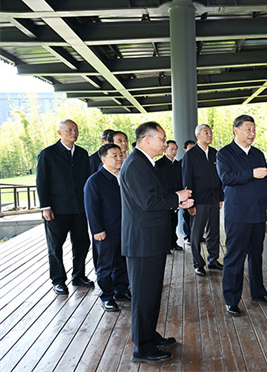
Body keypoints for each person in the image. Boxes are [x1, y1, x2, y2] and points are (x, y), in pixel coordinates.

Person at [119, 121, 193, 363]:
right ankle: (142, 348)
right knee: (144, 297)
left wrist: (177, 202)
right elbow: (148, 202)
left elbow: (155, 198)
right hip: (143, 242)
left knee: (150, 295)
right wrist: (177, 196)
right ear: (147, 139)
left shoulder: (143, 162)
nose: (164, 143)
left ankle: (148, 336)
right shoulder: (135, 164)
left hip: (149, 240)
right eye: (161, 139)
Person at [216, 114, 267, 317]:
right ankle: (231, 300)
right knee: (235, 257)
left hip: (258, 212)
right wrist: (251, 173)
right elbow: (226, 178)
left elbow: (265, 182)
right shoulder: (225, 154)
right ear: (236, 130)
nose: (252, 133)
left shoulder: (258, 154)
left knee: (256, 255)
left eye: (254, 129)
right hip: (238, 214)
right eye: (248, 129)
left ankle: (258, 292)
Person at [36, 119, 93, 295]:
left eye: (75, 130)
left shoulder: (82, 153)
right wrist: (46, 207)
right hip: (56, 210)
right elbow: (41, 182)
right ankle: (58, 280)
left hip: (79, 209)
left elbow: (88, 180)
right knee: (55, 247)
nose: (73, 133)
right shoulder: (47, 154)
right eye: (69, 130)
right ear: (59, 133)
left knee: (82, 243)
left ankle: (79, 276)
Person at [83, 143, 130, 312]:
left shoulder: (124, 176)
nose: (119, 158)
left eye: (120, 155)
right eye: (114, 156)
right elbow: (91, 208)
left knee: (122, 263)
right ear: (103, 159)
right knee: (105, 266)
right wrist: (97, 230)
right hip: (105, 231)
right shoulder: (95, 180)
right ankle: (107, 297)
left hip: (124, 229)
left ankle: (121, 290)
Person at [182, 125, 224, 277]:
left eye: (211, 132)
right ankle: (198, 263)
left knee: (214, 231)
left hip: (214, 199)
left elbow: (219, 177)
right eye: (206, 132)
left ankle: (213, 259)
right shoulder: (190, 155)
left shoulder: (214, 153)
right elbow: (187, 180)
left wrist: (220, 197)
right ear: (198, 136)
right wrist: (190, 202)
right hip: (198, 201)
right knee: (196, 234)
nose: (210, 135)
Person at [156, 140, 184, 251]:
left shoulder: (178, 164)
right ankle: (165, 245)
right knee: (165, 222)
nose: (174, 151)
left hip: (176, 197)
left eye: (176, 149)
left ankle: (173, 242)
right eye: (171, 149)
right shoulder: (159, 164)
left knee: (174, 221)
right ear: (165, 150)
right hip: (164, 198)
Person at [181, 139, 196, 245]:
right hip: (184, 194)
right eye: (190, 148)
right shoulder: (181, 161)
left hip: (195, 194)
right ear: (185, 150)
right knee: (186, 216)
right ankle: (187, 236)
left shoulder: (197, 162)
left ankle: (196, 236)